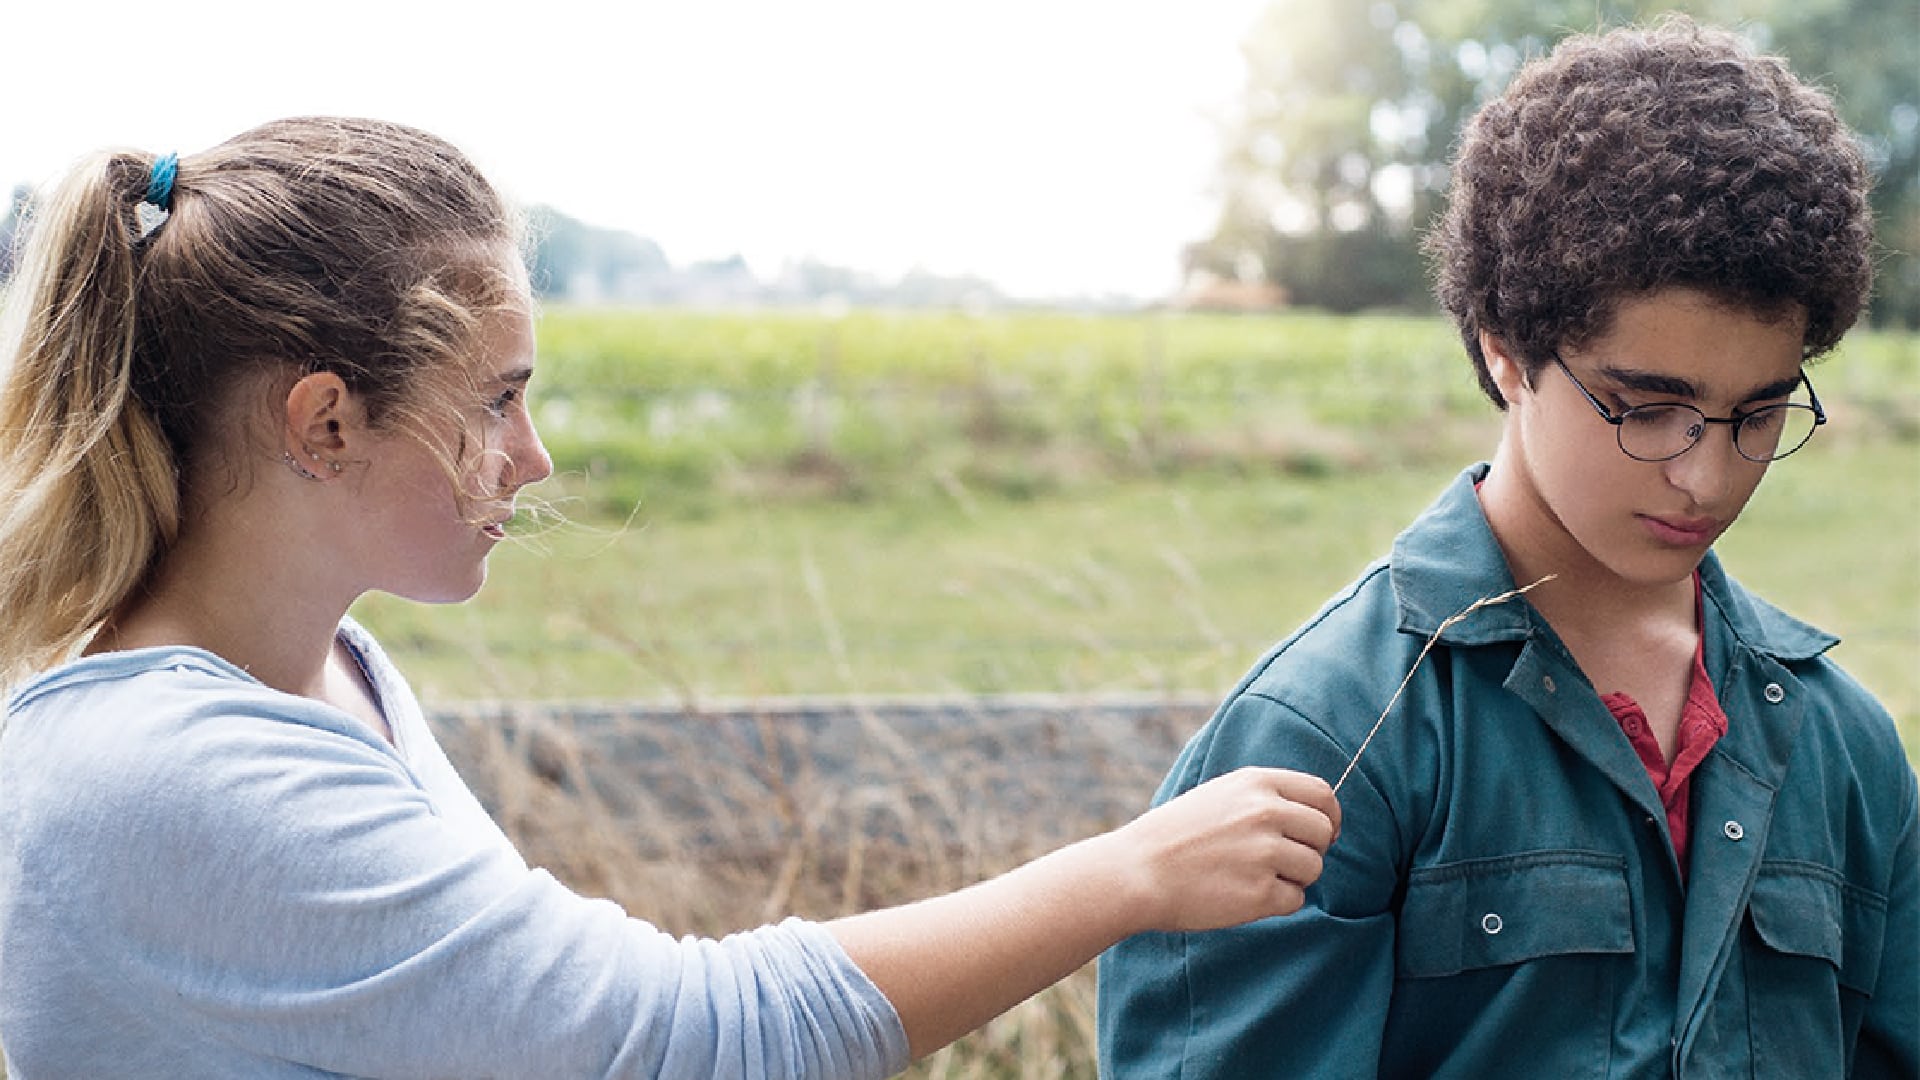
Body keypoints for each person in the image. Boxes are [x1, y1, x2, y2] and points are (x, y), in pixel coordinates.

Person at [0, 116, 1342, 1078]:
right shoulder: (174, 776)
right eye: (498, 401)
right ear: (328, 422)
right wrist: (1127, 875)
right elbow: (693, 1041)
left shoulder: (328, 672)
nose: (532, 458)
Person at [1098, 17, 1916, 1079]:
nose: (1705, 476)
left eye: (1758, 415)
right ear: (1506, 353)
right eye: (1646, 407)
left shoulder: (1846, 746)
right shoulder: (1332, 737)